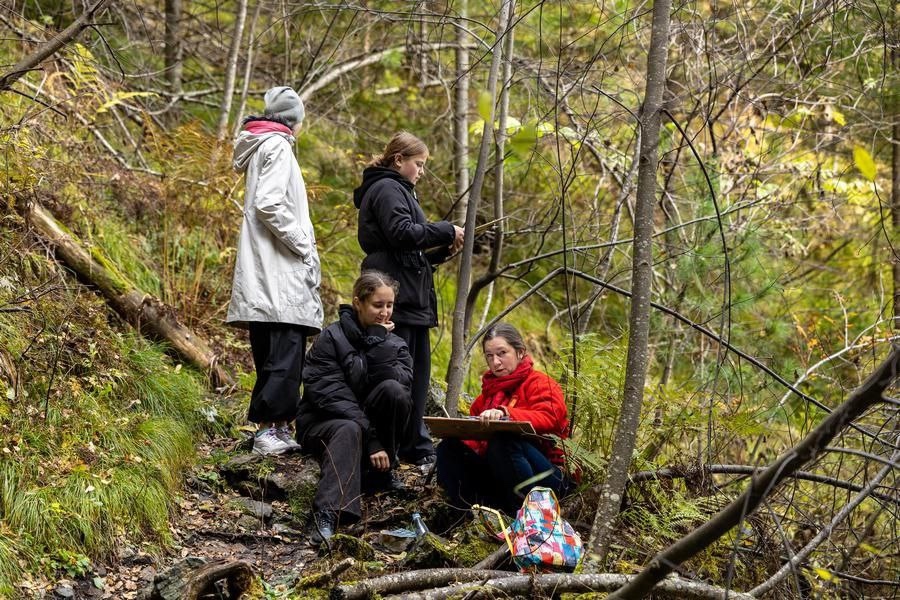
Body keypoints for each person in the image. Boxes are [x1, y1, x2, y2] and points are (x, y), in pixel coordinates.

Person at [353, 131, 465, 468]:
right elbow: (401, 233)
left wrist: (442, 251)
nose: (422, 171)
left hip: (411, 300)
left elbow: (405, 251)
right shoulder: (387, 188)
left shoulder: (398, 189)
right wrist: (446, 230)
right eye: (419, 164)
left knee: (415, 377)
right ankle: (404, 445)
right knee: (399, 377)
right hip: (395, 301)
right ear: (399, 160)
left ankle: (415, 445)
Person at [226, 85, 324, 456]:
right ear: (294, 120)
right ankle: (269, 430)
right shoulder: (278, 147)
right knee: (284, 354)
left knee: (275, 352)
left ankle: (279, 428)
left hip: (268, 273)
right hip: (278, 275)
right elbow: (269, 205)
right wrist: (303, 243)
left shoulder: (264, 146)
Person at [297, 271, 414, 544]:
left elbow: (400, 387)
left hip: (367, 430)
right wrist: (371, 440)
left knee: (393, 391)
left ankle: (381, 473)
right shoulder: (331, 337)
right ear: (358, 303)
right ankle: (327, 514)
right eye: (377, 305)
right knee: (349, 428)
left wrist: (378, 343)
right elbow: (330, 395)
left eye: (389, 305)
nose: (385, 313)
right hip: (323, 422)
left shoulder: (395, 344)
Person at [435, 323, 571, 514]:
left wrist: (506, 414)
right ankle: (472, 514)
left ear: (520, 352)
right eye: (489, 356)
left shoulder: (541, 383)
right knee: (449, 448)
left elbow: (551, 418)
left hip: (548, 476)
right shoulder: (484, 399)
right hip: (501, 474)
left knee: (504, 440)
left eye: (502, 353)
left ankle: (527, 515)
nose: (496, 362)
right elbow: (475, 444)